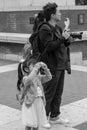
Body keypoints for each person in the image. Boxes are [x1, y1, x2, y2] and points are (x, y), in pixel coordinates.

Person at [38, 2, 71, 124]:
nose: (60, 13)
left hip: (60, 64)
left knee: (58, 93)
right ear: (52, 15)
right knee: (49, 93)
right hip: (51, 66)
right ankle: (43, 117)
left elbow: (62, 44)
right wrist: (62, 38)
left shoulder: (58, 28)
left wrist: (67, 38)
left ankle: (55, 116)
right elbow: (49, 47)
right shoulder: (44, 28)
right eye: (58, 12)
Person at [21, 58, 52, 130]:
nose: (36, 67)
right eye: (33, 66)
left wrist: (46, 68)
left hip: (39, 103)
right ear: (26, 69)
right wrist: (36, 68)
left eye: (36, 66)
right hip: (30, 103)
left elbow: (49, 77)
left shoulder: (38, 77)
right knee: (29, 123)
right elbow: (29, 80)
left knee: (37, 123)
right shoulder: (25, 78)